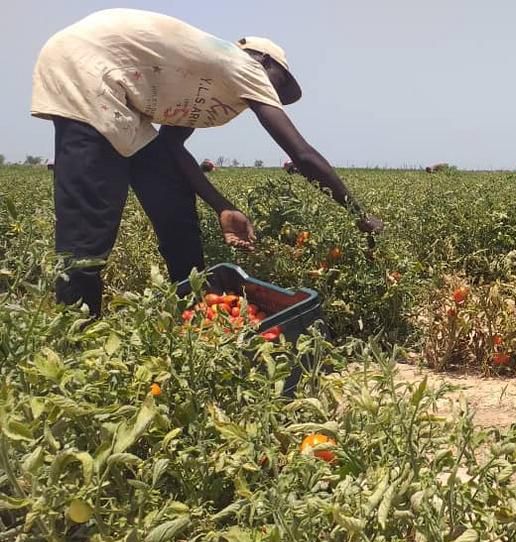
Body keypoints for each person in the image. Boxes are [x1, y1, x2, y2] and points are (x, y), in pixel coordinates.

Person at [30, 8, 382, 316]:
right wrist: (358, 214)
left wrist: (222, 207)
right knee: (88, 228)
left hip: (122, 93)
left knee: (173, 198)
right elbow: (301, 154)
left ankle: (192, 305)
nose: (274, 93)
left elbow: (171, 146)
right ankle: (75, 337)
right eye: (279, 81)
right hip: (86, 66)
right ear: (264, 61)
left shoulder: (210, 80)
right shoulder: (243, 64)